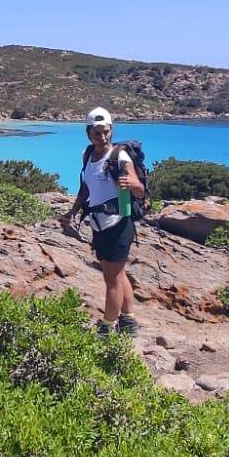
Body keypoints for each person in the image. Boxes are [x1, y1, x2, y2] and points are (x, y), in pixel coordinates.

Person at [58, 107, 145, 335]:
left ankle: (106, 327)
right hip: (98, 224)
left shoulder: (120, 156)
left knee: (112, 278)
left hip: (118, 224)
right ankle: (129, 321)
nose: (102, 137)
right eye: (97, 133)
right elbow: (86, 187)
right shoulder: (88, 155)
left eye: (106, 132)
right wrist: (73, 211)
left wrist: (133, 185)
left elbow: (138, 187)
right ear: (89, 134)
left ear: (111, 131)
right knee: (118, 274)